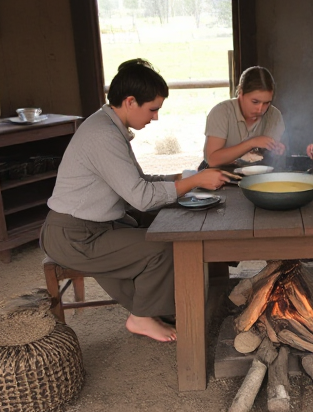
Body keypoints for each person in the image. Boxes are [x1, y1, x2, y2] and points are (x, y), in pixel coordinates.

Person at [40, 59, 230, 343]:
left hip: (97, 226)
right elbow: (141, 197)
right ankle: (141, 316)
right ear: (130, 101)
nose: (155, 118)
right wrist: (193, 182)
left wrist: (181, 175)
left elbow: (137, 182)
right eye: (152, 109)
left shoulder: (109, 126)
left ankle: (179, 300)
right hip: (74, 236)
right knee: (162, 246)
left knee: (175, 219)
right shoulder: (102, 135)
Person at [202, 66, 286, 167]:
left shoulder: (274, 115)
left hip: (258, 175)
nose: (260, 109)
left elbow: (272, 159)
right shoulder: (222, 112)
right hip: (220, 176)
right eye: (255, 102)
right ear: (240, 93)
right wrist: (252, 143)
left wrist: (277, 151)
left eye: (266, 103)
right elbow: (212, 160)